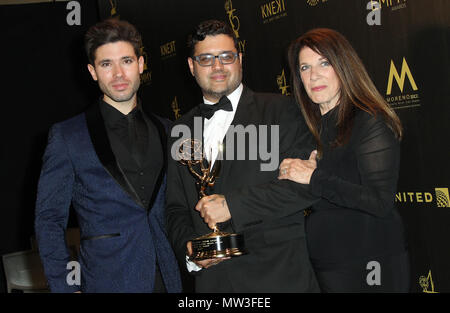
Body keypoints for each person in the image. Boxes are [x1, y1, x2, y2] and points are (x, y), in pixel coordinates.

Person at [166, 20, 319, 292]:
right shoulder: (181, 129)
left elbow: (302, 189)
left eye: (226, 57)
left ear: (240, 59)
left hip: (277, 279)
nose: (217, 67)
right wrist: (190, 249)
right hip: (213, 285)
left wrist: (232, 206)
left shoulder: (282, 112)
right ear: (192, 66)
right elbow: (176, 207)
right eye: (206, 59)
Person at [34, 18, 182, 293]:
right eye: (106, 64)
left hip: (170, 277)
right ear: (92, 72)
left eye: (126, 61)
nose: (118, 74)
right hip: (107, 280)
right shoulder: (67, 137)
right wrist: (66, 287)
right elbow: (49, 220)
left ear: (140, 64)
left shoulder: (169, 130)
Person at [279, 28, 410, 292]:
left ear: (343, 66)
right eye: (305, 67)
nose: (313, 74)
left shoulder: (369, 121)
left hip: (370, 262)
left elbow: (380, 201)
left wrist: (313, 177)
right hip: (326, 262)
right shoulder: (308, 129)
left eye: (324, 63)